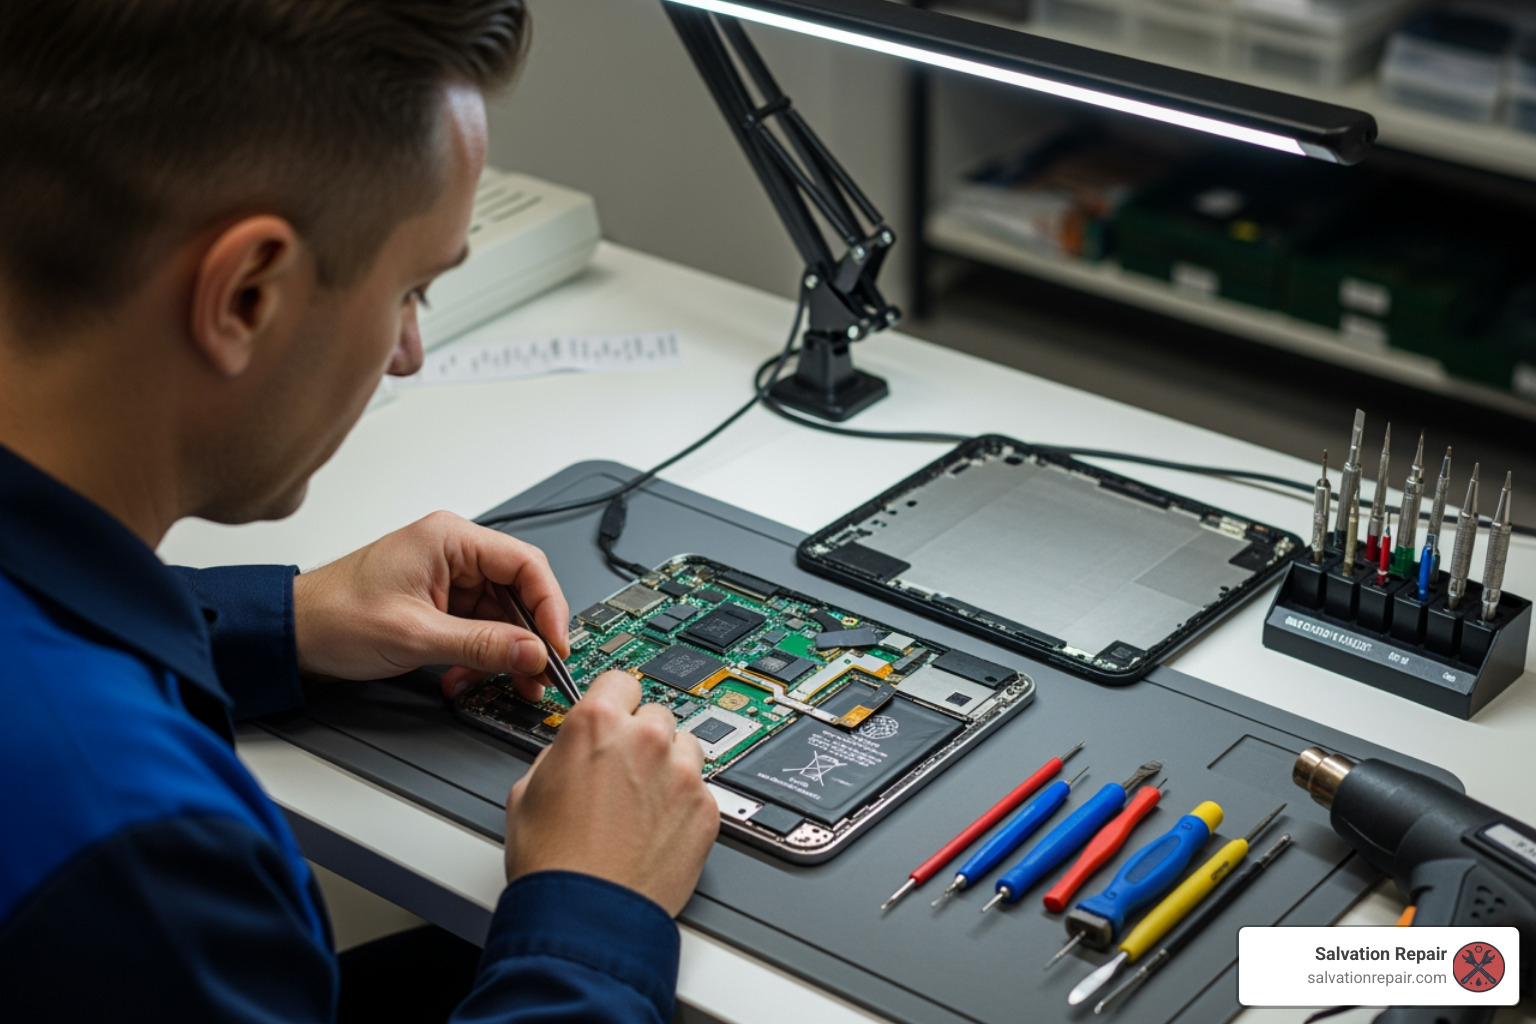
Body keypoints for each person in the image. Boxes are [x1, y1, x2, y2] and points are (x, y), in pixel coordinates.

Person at [0, 2, 720, 1021]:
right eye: (411, 289)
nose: (407, 354)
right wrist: (593, 911)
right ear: (248, 293)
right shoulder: (140, 859)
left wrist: (280, 621)